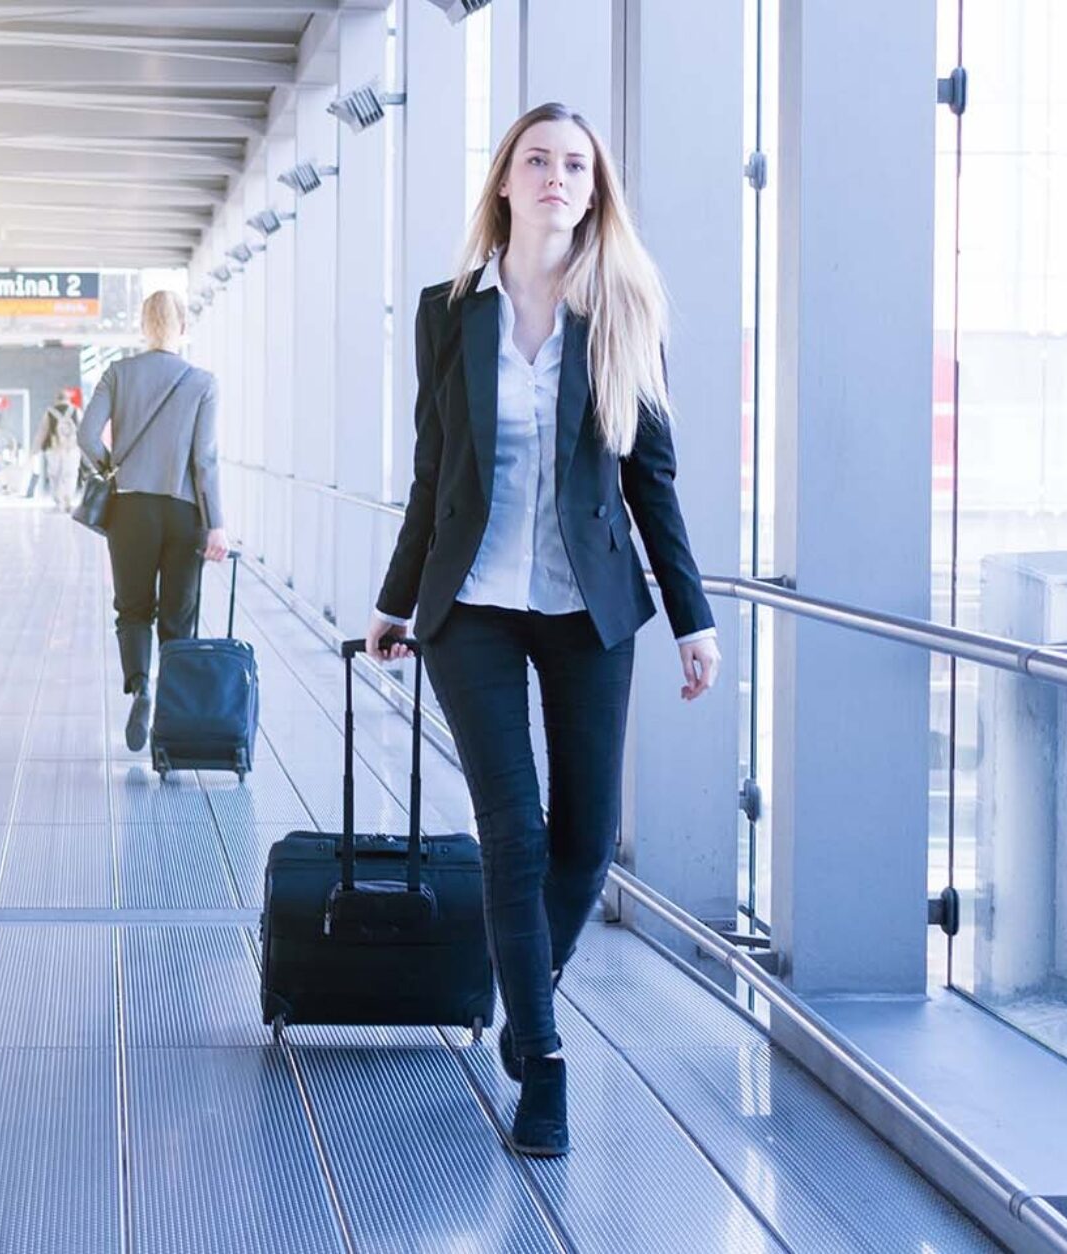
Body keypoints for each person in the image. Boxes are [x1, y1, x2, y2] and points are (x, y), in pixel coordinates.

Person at [363, 103, 721, 1159]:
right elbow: (435, 473)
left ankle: (519, 997)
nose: (557, 175)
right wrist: (395, 600)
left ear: (593, 188)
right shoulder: (449, 311)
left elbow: (651, 479)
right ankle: (547, 1060)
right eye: (538, 159)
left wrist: (691, 619)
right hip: (469, 606)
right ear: (506, 183)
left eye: (576, 163)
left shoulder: (622, 310)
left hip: (588, 608)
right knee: (511, 834)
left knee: (584, 839)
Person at [80, 291, 226, 753]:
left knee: (133, 608)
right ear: (183, 326)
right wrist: (216, 522)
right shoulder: (202, 381)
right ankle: (173, 715)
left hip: (131, 509)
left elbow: (86, 435)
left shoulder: (119, 373)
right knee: (178, 617)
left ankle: (140, 685)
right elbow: (204, 459)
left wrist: (111, 466)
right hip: (184, 513)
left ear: (144, 325)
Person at [35, 388, 82, 509]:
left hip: (54, 448)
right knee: (70, 474)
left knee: (54, 475)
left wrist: (35, 449)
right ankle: (68, 498)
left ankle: (58, 499)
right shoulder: (76, 411)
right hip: (71, 448)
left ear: (56, 399)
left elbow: (42, 432)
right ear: (68, 399)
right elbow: (83, 430)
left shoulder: (50, 412)